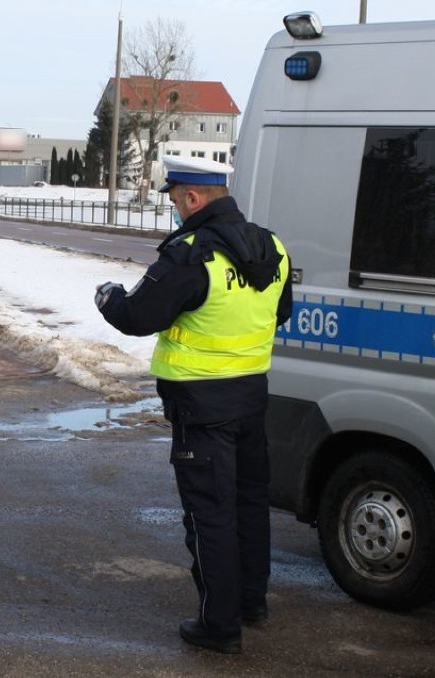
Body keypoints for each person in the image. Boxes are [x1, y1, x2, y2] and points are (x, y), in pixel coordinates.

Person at [94, 156, 292, 654]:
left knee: (210, 513)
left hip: (201, 401)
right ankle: (251, 601)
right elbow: (282, 310)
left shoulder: (192, 254)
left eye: (177, 199)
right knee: (249, 502)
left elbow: (138, 315)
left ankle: (218, 625)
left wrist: (108, 297)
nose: (176, 210)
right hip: (251, 394)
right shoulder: (272, 246)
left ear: (195, 198)